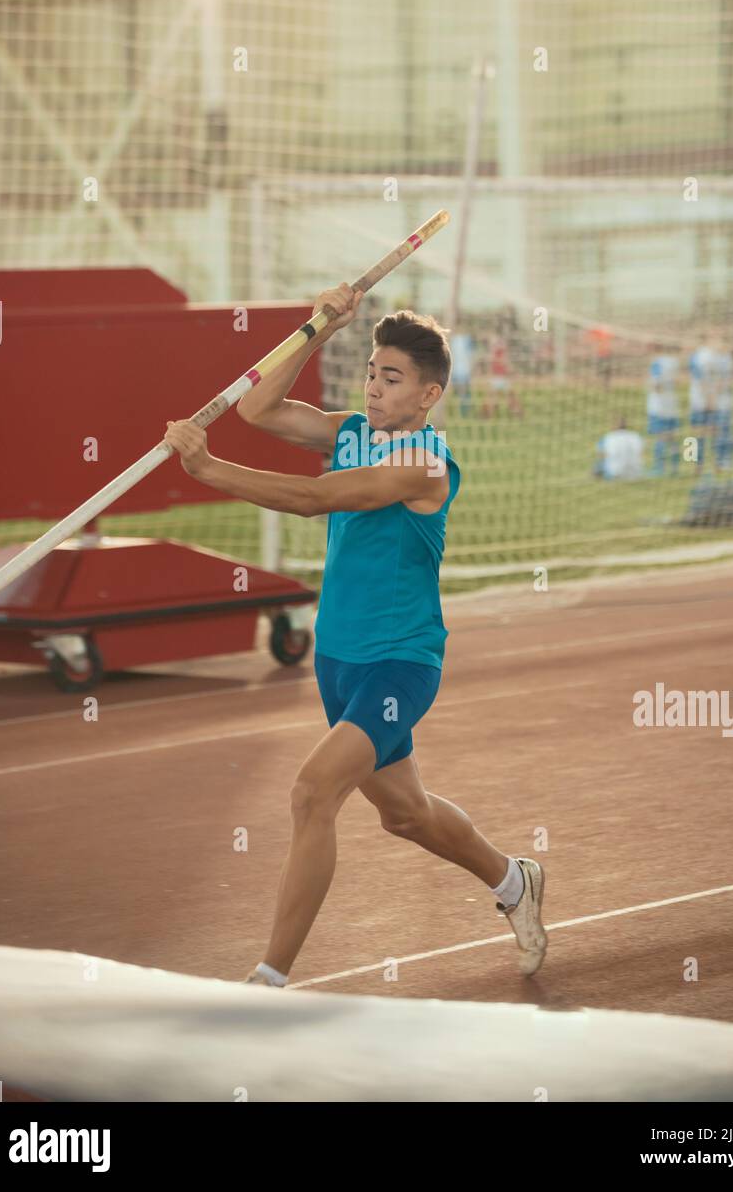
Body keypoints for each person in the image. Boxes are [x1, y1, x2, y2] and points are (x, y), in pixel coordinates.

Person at [164, 286, 547, 986]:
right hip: (337, 659)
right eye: (371, 371)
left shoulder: (424, 465)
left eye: (391, 378)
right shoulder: (348, 431)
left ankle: (269, 980)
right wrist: (320, 327)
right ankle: (513, 880)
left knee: (313, 793)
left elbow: (314, 499)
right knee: (405, 815)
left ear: (428, 395)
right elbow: (257, 409)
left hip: (399, 664)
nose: (373, 387)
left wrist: (208, 469)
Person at [688, 328, 733, 472]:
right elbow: (699, 379)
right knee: (698, 432)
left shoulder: (725, 357)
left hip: (719, 402)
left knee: (720, 431)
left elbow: (724, 379)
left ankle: (721, 462)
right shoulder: (699, 356)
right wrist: (709, 399)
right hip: (700, 401)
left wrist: (713, 398)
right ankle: (695, 463)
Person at [646, 341, 680, 475]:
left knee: (660, 437)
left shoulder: (657, 363)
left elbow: (657, 385)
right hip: (672, 405)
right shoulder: (674, 362)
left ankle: (659, 467)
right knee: (672, 437)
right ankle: (675, 467)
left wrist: (650, 386)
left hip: (658, 406)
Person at [449, 328, 475, 417]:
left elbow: (470, 355)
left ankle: (464, 412)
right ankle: (460, 412)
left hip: (463, 371)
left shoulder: (467, 339)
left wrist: (471, 369)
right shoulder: (453, 339)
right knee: (458, 392)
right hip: (456, 370)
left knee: (463, 392)